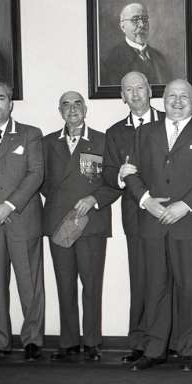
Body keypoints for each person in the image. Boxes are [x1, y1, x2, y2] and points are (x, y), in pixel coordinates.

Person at [125, 79, 192, 372]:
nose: (178, 101)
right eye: (172, 95)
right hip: (153, 223)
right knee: (155, 288)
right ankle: (155, 349)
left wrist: (185, 206)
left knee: (189, 288)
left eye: (184, 96)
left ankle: (188, 349)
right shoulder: (144, 133)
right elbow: (129, 172)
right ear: (163, 99)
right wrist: (146, 201)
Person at [41, 91, 120, 361]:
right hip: (59, 223)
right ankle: (69, 341)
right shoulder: (47, 143)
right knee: (64, 284)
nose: (72, 109)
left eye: (77, 104)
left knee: (91, 283)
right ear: (59, 111)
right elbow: (42, 181)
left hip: (91, 223)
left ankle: (92, 342)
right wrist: (62, 204)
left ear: (85, 109)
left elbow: (114, 184)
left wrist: (93, 199)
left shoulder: (102, 140)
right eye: (66, 104)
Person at [102, 71, 164, 364]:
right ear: (122, 97)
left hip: (167, 212)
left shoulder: (169, 120)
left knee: (169, 277)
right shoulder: (115, 132)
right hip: (136, 215)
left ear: (150, 90)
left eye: (140, 87)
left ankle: (169, 339)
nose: (136, 94)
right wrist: (121, 175)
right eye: (129, 90)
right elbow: (107, 174)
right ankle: (139, 341)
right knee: (140, 277)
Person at [0, 76, 45, 361]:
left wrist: (8, 206)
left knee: (29, 282)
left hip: (22, 220)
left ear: (10, 103)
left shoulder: (30, 134)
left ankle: (32, 340)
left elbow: (36, 174)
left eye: (1, 98)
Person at [102, 3, 172, 86]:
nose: (142, 25)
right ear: (123, 27)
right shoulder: (111, 59)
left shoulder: (160, 58)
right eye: (135, 20)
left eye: (145, 20)